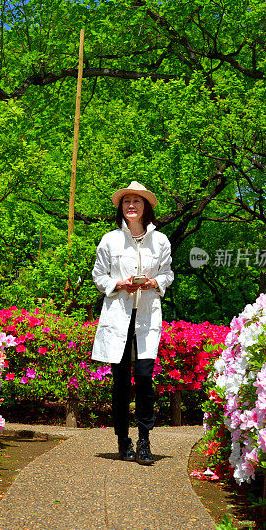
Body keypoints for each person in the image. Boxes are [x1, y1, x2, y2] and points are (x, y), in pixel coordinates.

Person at [91, 181, 174, 465]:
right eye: (126, 201)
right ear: (121, 208)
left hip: (147, 316)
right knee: (121, 382)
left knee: (145, 377)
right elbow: (98, 276)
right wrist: (117, 284)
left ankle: (144, 440)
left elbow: (168, 273)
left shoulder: (160, 241)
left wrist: (156, 282)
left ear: (145, 207)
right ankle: (122, 440)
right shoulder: (110, 240)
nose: (131, 206)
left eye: (137, 201)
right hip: (119, 316)